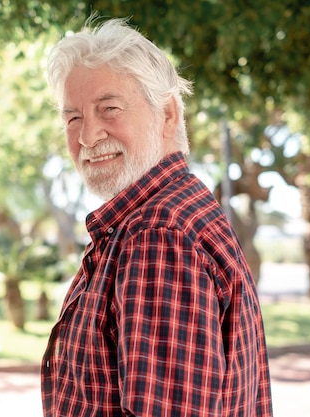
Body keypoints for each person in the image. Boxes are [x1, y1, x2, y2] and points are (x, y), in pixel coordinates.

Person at [41, 16, 273, 417]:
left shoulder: (158, 234)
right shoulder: (173, 212)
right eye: (72, 117)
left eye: (109, 108)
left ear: (167, 115)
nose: (87, 135)